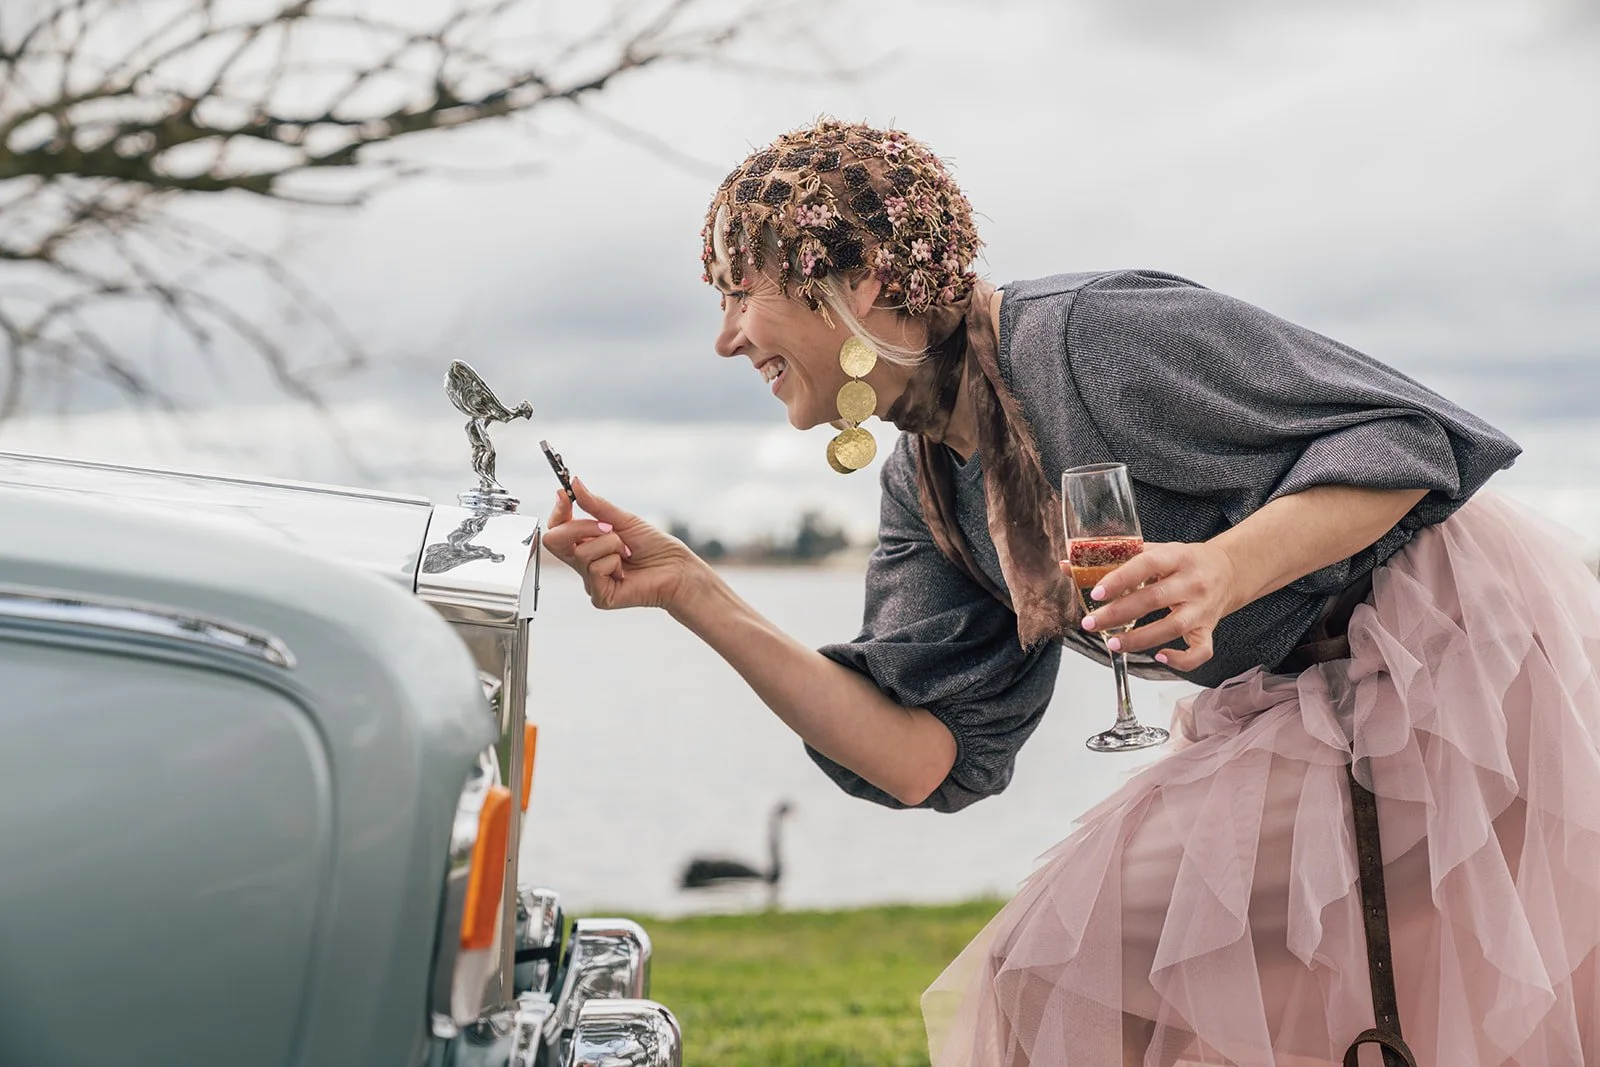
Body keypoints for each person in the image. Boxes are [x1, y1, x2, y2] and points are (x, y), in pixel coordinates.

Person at [542, 118, 1600, 1065]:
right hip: (1299, 694)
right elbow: (924, 755)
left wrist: (1225, 565)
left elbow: (1410, 439)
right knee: (1124, 986)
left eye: (740, 293)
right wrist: (694, 592)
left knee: (1060, 971)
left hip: (1456, 657)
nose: (727, 336)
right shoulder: (925, 481)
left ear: (855, 282)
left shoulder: (1087, 336)